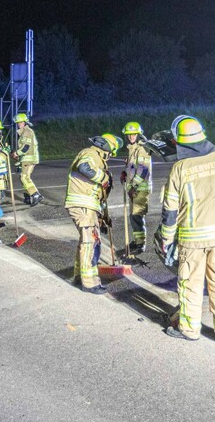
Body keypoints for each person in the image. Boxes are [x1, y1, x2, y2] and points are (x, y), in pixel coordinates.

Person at [158, 116, 215, 345]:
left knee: (191, 283)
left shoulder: (180, 168)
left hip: (192, 238)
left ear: (179, 141)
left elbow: (170, 209)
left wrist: (166, 238)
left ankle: (189, 329)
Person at [65, 134, 121, 295]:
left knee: (86, 241)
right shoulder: (91, 154)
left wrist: (103, 217)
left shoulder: (95, 156)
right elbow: (84, 167)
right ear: (108, 148)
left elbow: (98, 194)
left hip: (87, 206)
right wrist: (103, 177)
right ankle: (89, 283)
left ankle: (79, 277)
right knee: (90, 243)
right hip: (82, 205)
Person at [120, 121, 152, 255]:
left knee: (137, 216)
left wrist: (134, 186)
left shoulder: (142, 149)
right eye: (129, 135)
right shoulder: (133, 149)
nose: (131, 137)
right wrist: (125, 172)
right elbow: (133, 168)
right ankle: (137, 240)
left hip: (140, 189)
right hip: (134, 189)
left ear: (139, 134)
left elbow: (143, 170)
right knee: (134, 217)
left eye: (134, 134)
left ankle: (141, 243)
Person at [13, 112, 41, 206]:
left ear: (25, 122)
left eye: (20, 122)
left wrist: (17, 153)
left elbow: (26, 147)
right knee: (23, 178)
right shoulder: (24, 132)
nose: (18, 124)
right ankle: (28, 196)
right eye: (17, 123)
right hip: (26, 159)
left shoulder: (27, 132)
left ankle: (35, 194)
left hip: (29, 159)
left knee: (24, 177)